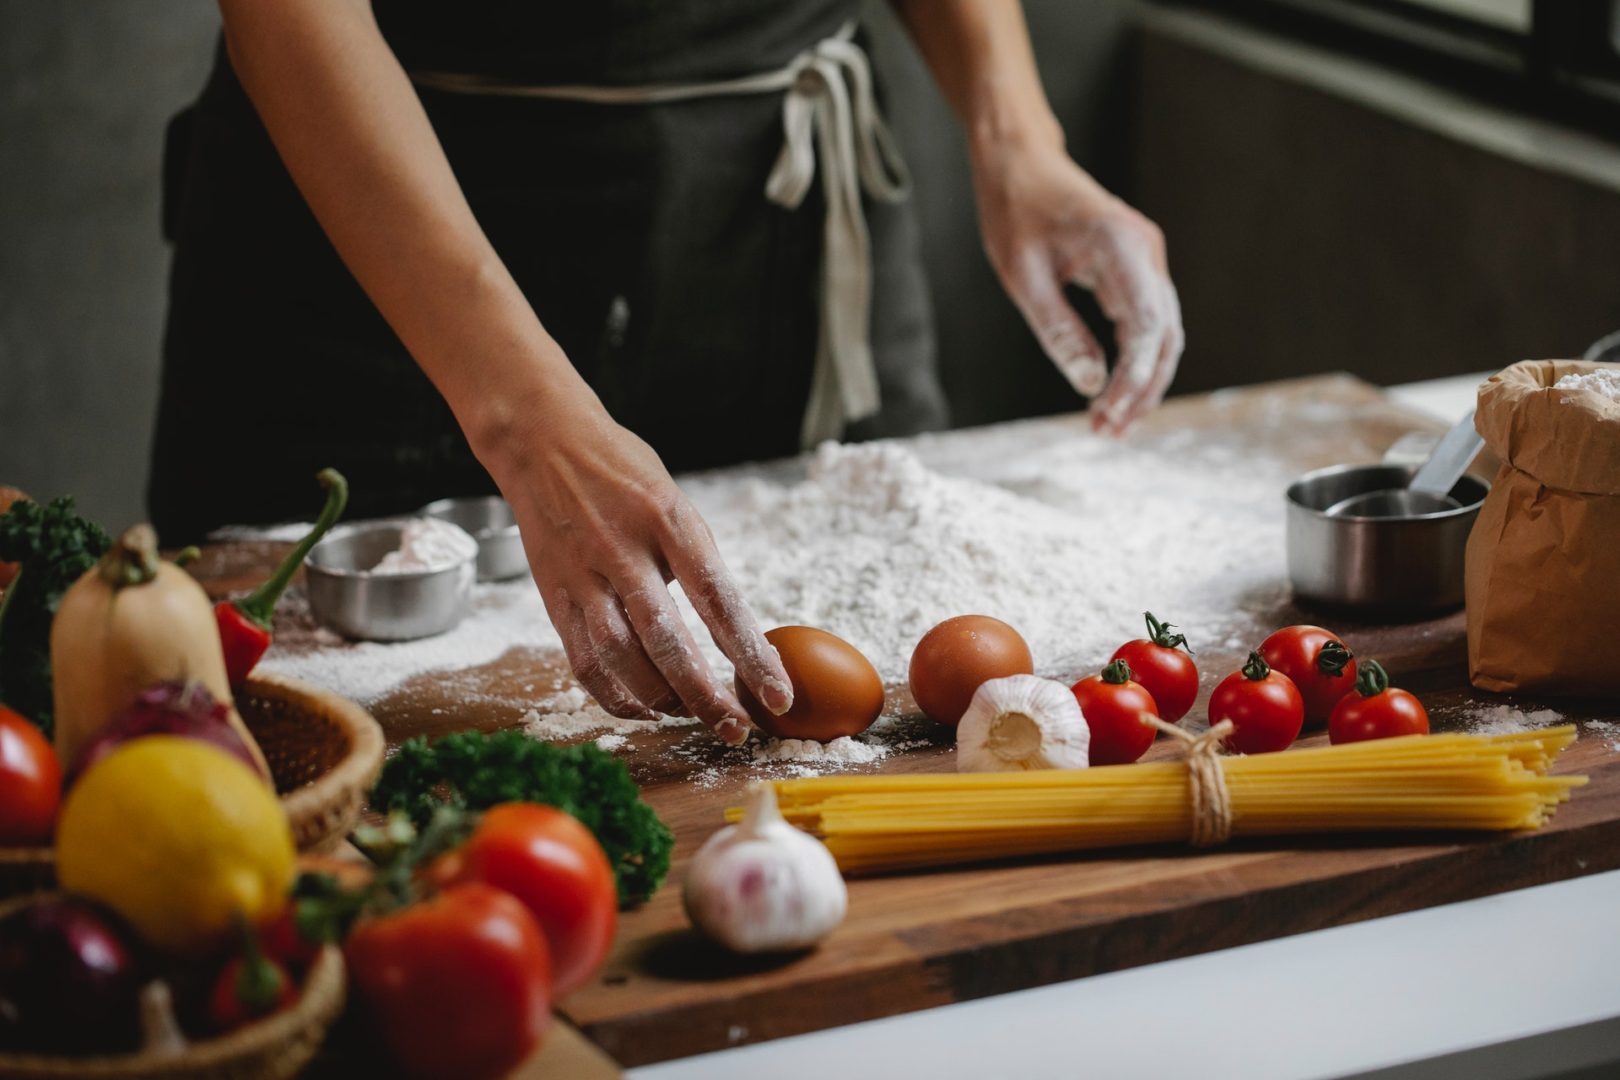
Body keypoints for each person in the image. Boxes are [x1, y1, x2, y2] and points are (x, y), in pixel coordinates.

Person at [150, 1, 1183, 746]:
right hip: (382, 217)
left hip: (775, 211)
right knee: (301, 729)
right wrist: (518, 414)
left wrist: (1016, 136)